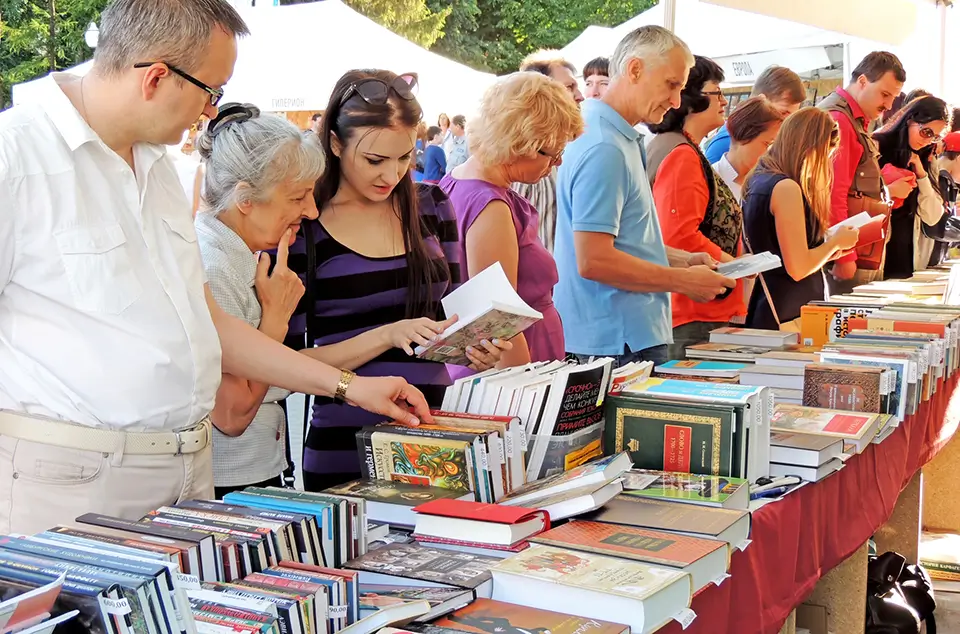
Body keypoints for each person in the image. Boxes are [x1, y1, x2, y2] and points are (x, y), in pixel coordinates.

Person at [0, 0, 432, 534]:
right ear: (157, 77)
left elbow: (208, 327)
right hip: (71, 483)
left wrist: (347, 385)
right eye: (212, 91)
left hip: (183, 474)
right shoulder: (15, 159)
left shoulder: (156, 167)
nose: (211, 112)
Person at [290, 70, 510, 491]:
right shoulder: (305, 226)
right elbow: (289, 366)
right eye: (375, 160)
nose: (391, 175)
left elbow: (454, 314)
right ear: (335, 144)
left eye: (405, 157)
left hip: (437, 431)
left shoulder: (431, 205)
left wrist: (476, 347)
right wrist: (388, 335)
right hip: (346, 442)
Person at [554, 26, 735, 368]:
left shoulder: (612, 136)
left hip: (619, 334)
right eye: (670, 85)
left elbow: (623, 241)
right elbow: (594, 259)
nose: (676, 101)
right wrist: (684, 280)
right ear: (634, 70)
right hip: (616, 339)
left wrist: (683, 260)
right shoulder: (605, 146)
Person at [195, 105, 325, 498]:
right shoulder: (215, 266)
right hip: (231, 480)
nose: (311, 210)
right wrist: (276, 319)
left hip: (251, 468)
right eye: (299, 196)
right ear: (245, 198)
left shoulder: (236, 253)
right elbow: (232, 413)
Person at [441, 72, 583, 366]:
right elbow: (499, 322)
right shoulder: (490, 205)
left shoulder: (456, 182)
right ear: (521, 143)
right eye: (553, 152)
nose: (558, 162)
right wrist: (526, 388)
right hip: (515, 372)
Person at [646, 55, 744, 359]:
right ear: (691, 99)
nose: (724, 101)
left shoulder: (679, 147)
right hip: (691, 309)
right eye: (717, 92)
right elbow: (679, 236)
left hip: (693, 305)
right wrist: (737, 265)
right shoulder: (681, 154)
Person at [742, 109, 859, 330]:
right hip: (787, 312)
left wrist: (828, 249)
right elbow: (798, 267)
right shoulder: (786, 187)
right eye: (825, 154)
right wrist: (835, 242)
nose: (824, 163)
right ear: (812, 148)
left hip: (769, 305)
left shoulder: (758, 179)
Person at [820, 51, 906, 292]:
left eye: (894, 97)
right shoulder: (839, 119)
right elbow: (832, 193)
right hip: (851, 252)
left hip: (858, 247)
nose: (889, 105)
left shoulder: (851, 117)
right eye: (885, 94)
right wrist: (844, 255)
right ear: (862, 81)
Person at [513, 51, 584, 254]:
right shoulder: (528, 160)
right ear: (543, 94)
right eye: (569, 87)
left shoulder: (554, 151)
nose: (580, 96)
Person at [872, 95, 950, 279]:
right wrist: (889, 191)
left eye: (935, 137)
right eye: (926, 132)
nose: (927, 141)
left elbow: (932, 217)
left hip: (908, 252)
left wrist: (922, 175)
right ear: (909, 120)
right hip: (875, 247)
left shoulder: (927, 158)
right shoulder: (876, 147)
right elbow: (855, 199)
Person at [704, 65, 805, 164]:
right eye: (783, 113)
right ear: (760, 102)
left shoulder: (766, 141)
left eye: (792, 116)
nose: (788, 123)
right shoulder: (728, 142)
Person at [712, 96, 785, 200]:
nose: (770, 153)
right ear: (744, 134)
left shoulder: (768, 182)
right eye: (767, 144)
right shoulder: (711, 181)